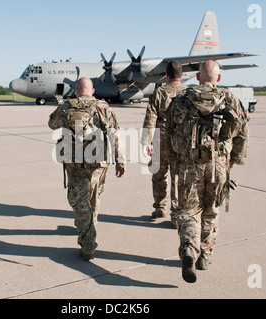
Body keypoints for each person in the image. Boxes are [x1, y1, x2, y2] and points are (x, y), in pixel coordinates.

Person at [166, 60, 249, 283]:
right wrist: (232, 162)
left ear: (198, 77)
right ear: (218, 78)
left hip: (188, 166)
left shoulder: (182, 99)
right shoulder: (230, 99)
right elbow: (242, 132)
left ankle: (188, 251)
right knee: (211, 211)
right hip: (217, 166)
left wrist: (174, 163)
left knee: (188, 211)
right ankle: (205, 256)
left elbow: (169, 131)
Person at [48, 77, 126, 261]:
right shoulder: (103, 107)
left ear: (76, 90)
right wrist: (120, 162)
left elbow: (52, 124)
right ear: (92, 91)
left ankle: (88, 243)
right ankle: (91, 224)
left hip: (74, 164)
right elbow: (115, 135)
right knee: (94, 196)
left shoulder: (66, 106)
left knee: (79, 201)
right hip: (98, 163)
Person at [142, 61, 187, 227]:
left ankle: (160, 207)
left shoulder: (159, 92)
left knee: (159, 175)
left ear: (166, 75)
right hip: (180, 141)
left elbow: (150, 117)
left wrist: (146, 141)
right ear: (181, 75)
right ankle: (176, 214)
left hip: (161, 139)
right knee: (178, 177)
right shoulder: (189, 93)